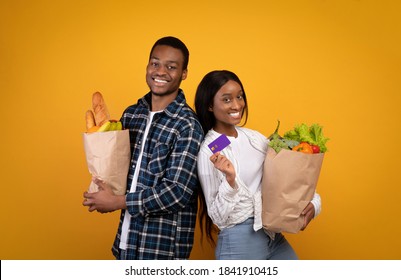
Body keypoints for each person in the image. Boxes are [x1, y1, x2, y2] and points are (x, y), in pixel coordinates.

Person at [83, 36, 204, 260]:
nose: (160, 71)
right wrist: (102, 188)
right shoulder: (132, 114)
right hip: (126, 243)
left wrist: (116, 202)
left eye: (171, 67)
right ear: (147, 66)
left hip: (161, 250)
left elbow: (177, 192)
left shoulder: (187, 124)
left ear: (184, 74)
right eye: (155, 63)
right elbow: (119, 168)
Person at [194, 70, 321, 260]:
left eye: (239, 96)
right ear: (210, 105)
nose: (237, 105)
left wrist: (314, 202)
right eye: (227, 99)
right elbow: (218, 217)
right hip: (239, 241)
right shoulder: (211, 150)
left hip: (271, 233)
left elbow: (286, 177)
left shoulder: (254, 138)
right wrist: (230, 180)